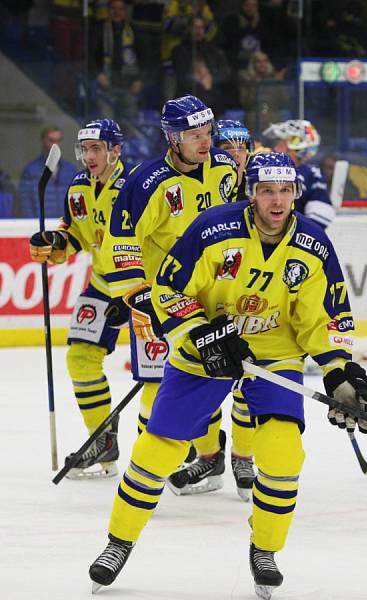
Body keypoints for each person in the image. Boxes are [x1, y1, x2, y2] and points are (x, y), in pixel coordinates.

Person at [88, 151, 367, 598]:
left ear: (294, 193)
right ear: (251, 193)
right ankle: (118, 543)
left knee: (282, 454)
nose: (276, 202)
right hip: (206, 346)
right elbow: (169, 290)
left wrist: (340, 371)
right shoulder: (213, 228)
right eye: (266, 191)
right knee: (157, 450)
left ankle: (265, 549)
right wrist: (204, 335)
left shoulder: (314, 245)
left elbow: (325, 318)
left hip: (273, 353)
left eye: (284, 191)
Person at [98, 95, 239, 496]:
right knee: (160, 388)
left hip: (221, 296)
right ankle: (151, 467)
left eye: (208, 132)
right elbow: (122, 240)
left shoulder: (225, 168)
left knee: (215, 377)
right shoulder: (146, 182)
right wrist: (135, 294)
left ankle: (214, 457)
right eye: (194, 135)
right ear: (172, 138)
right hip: (169, 303)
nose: (205, 142)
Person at [28, 119, 131, 478]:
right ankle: (102, 440)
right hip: (103, 284)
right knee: (80, 358)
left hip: (146, 288)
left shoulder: (136, 187)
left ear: (115, 151)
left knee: (165, 373)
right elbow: (74, 235)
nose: (88, 156)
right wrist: (54, 244)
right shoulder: (77, 188)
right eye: (85, 149)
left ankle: (182, 445)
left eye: (96, 149)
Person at [262, 119, 334, 229]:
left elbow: (319, 220)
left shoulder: (311, 176)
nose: (275, 148)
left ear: (296, 148)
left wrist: (292, 238)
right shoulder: (262, 171)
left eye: (280, 144)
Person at [17, 126, 77, 218]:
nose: (55, 145)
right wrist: (32, 222)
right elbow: (25, 201)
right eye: (51, 140)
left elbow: (76, 197)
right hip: (39, 224)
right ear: (43, 141)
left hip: (64, 225)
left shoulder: (70, 170)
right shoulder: (31, 170)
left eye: (58, 140)